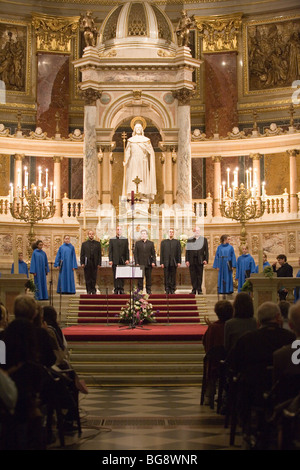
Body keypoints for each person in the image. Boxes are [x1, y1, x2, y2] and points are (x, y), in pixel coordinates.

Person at [202, 300, 233, 406]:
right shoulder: (231, 326)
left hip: (214, 364)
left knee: (211, 362)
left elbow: (206, 343)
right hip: (230, 363)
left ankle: (209, 395)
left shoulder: (213, 327)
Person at [122, 119, 156, 200]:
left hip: (143, 161)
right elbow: (127, 152)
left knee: (142, 177)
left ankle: (142, 193)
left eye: (139, 128)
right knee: (132, 176)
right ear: (134, 129)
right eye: (136, 128)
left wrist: (150, 155)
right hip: (133, 162)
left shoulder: (146, 140)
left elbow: (151, 151)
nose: (138, 129)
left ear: (142, 130)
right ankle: (132, 195)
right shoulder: (130, 140)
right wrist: (125, 160)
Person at [185, 226, 209, 295]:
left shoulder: (204, 240)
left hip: (200, 260)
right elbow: (187, 251)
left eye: (198, 231)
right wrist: (187, 260)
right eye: (195, 231)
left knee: (199, 275)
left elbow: (206, 251)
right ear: (193, 232)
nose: (197, 232)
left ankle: (199, 289)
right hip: (192, 260)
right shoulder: (190, 240)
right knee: (193, 275)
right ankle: (194, 289)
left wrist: (206, 259)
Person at [134, 229, 156, 295]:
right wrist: (137, 262)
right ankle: (140, 291)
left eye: (144, 234)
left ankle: (148, 290)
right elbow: (135, 254)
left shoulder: (151, 243)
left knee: (148, 278)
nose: (143, 235)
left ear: (147, 235)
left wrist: (153, 262)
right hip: (140, 264)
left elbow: (153, 254)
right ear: (141, 235)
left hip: (148, 263)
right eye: (142, 234)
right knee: (140, 278)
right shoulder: (137, 243)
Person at [109, 226, 130, 295]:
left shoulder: (125, 239)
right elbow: (110, 251)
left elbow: (127, 250)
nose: (119, 231)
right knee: (115, 275)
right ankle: (116, 289)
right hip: (115, 260)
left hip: (122, 260)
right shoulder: (112, 240)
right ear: (116, 231)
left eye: (120, 229)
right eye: (117, 229)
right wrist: (110, 260)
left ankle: (121, 289)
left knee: (122, 275)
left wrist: (127, 259)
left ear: (122, 231)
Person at [160, 228, 182, 294]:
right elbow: (162, 253)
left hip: (174, 261)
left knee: (173, 276)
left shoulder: (177, 242)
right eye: (170, 232)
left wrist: (179, 262)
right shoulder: (163, 242)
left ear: (173, 233)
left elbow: (179, 252)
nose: (171, 233)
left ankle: (172, 288)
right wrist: (162, 262)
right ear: (168, 233)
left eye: (172, 232)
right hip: (166, 262)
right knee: (166, 276)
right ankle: (167, 288)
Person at [80, 230, 102, 295]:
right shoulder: (84, 244)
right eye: (90, 234)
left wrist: (99, 263)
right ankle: (88, 290)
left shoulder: (97, 244)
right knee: (88, 277)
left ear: (94, 235)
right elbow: (82, 254)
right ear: (88, 235)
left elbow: (99, 254)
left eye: (92, 234)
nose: (91, 235)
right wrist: (82, 263)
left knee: (94, 277)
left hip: (94, 263)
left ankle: (93, 289)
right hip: (87, 263)